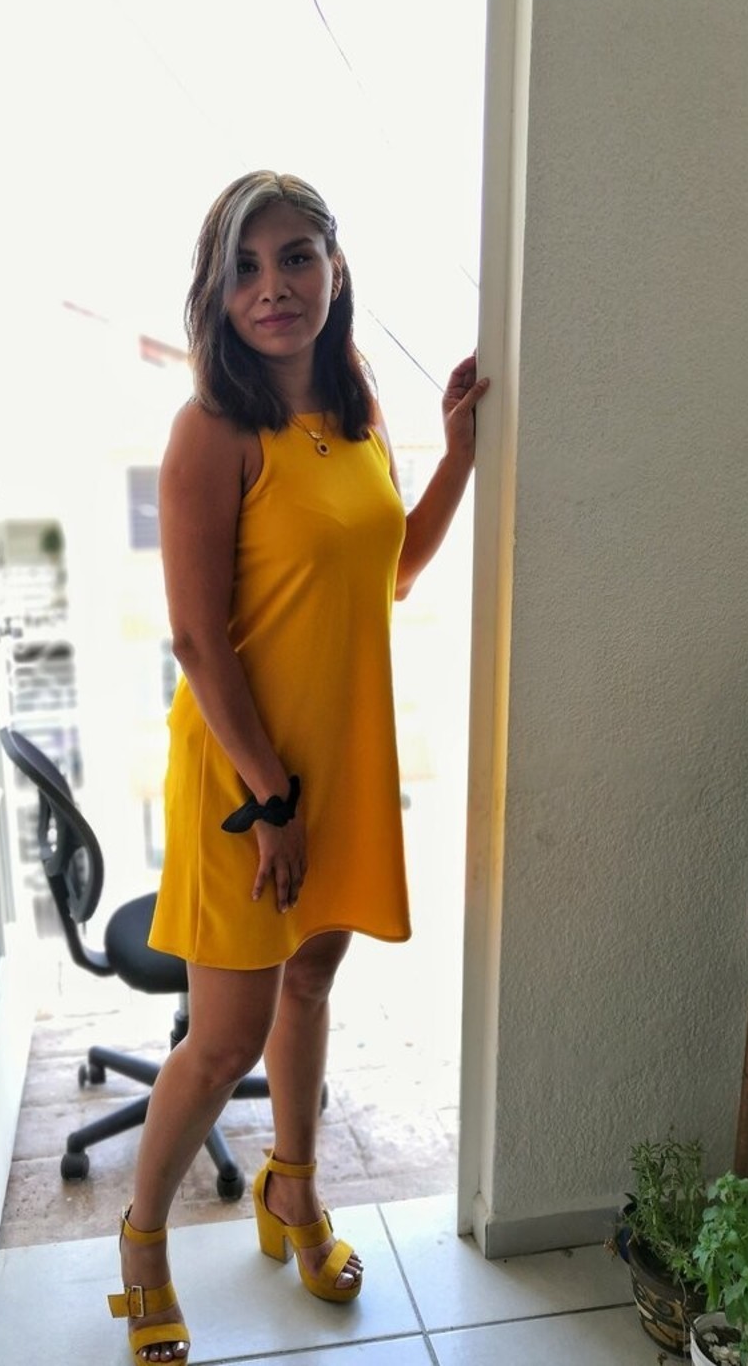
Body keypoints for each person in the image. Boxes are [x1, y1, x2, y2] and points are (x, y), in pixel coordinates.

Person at [106, 170, 488, 1365]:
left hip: (341, 753)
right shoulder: (211, 429)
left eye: (296, 257)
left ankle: (294, 1188)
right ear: (217, 293)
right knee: (223, 1039)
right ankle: (142, 1242)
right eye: (247, 267)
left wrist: (458, 455)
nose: (274, 287)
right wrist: (271, 797)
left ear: (335, 267)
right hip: (247, 776)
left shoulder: (354, 406)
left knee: (313, 979)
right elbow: (196, 639)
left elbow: (393, 568)